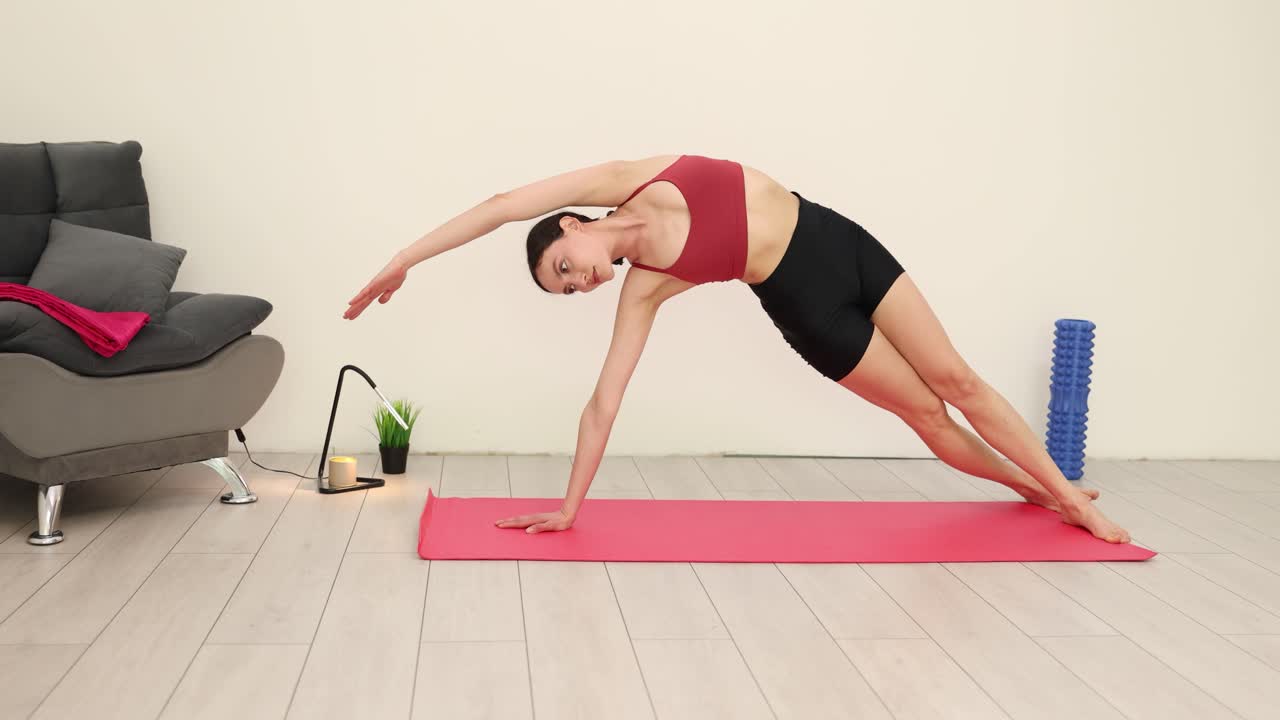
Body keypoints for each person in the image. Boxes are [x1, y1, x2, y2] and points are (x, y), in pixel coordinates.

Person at [344, 154, 1130, 544]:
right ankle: (1051, 496)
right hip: (808, 309)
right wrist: (570, 507)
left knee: (957, 378)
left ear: (573, 226)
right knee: (927, 414)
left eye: (564, 269)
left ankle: (1058, 488)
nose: (579, 283)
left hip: (838, 241)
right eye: (569, 290)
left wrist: (404, 258)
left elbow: (502, 204)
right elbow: (604, 403)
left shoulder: (638, 178)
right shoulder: (645, 287)